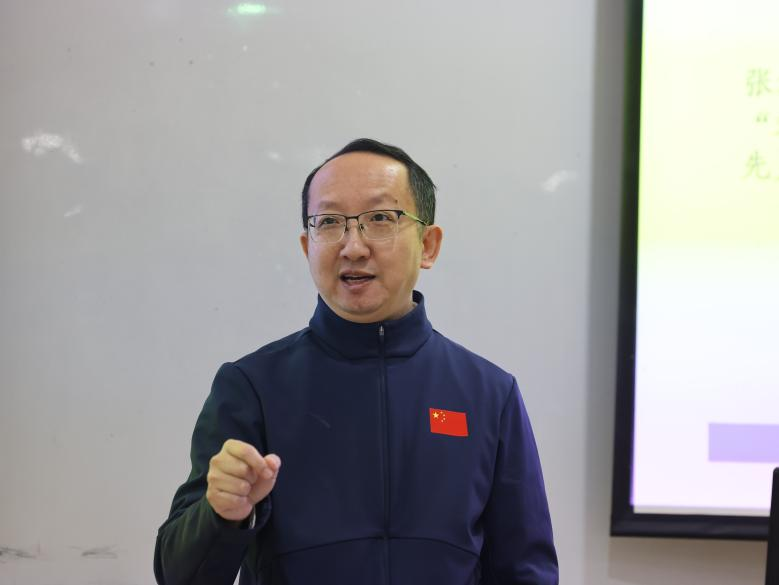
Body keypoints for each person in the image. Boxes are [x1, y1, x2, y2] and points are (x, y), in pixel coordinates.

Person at [154, 138, 558, 585]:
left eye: (380, 219)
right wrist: (221, 514)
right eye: (329, 222)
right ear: (307, 246)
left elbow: (526, 570)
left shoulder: (489, 393)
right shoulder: (252, 386)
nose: (353, 247)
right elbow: (177, 576)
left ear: (428, 245)